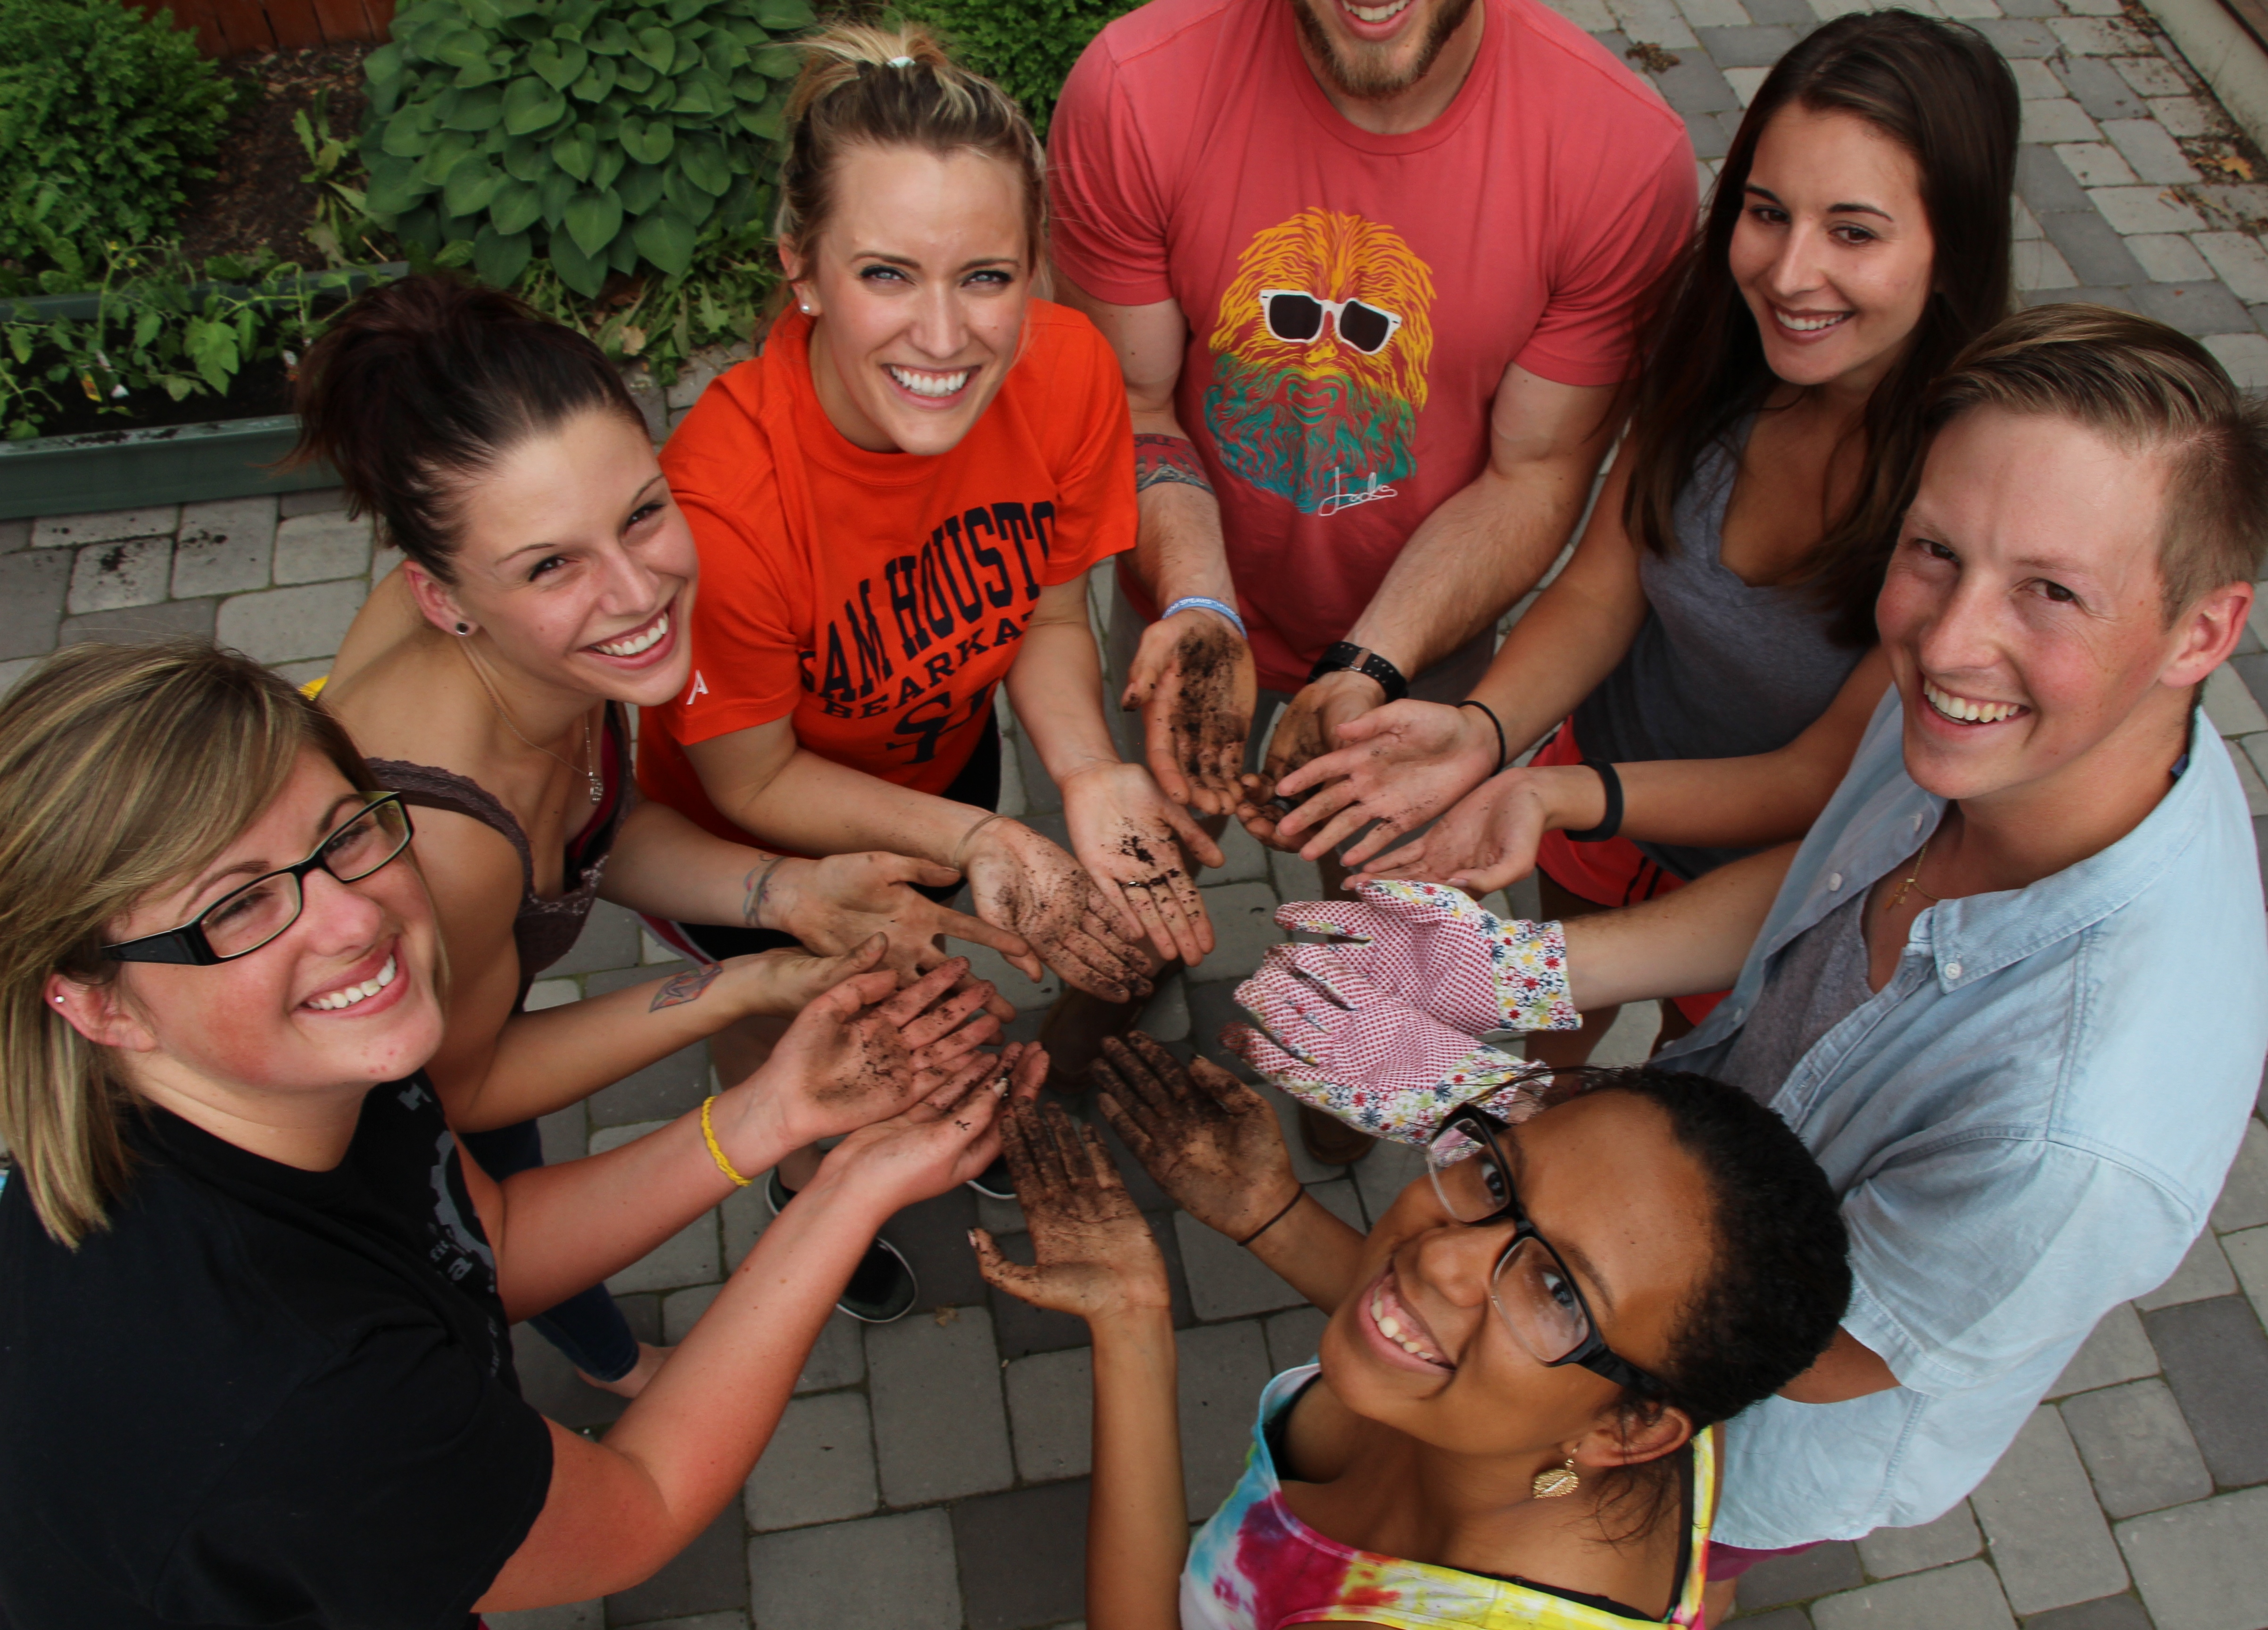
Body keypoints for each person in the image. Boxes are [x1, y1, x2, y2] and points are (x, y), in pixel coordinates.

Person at [1229, 306, 2268, 1612]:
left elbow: (1816, 1349)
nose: (1947, 644)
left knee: (1646, 1572)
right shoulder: (2026, 728)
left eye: (2051, 591)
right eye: (1935, 551)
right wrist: (1520, 975)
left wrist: (1468, 1111)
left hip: (1744, 1437)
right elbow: (1827, 885)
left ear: (2203, 633)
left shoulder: (2083, 1136)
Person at [0, 640, 1038, 1628]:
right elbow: (638, 1508)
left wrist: (777, 1112)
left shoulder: (294, 1076)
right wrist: (849, 1188)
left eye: (347, 833)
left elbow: (477, 1246)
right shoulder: (306, 1395)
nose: (354, 920)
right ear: (97, 1005)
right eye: (238, 907)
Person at [1268, 11, 2020, 1067]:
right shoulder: (1717, 345)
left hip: (1777, 876)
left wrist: (1546, 789)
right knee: (1542, 1046)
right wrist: (1484, 736)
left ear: (1954, 248)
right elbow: (1599, 588)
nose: (1789, 274)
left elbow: (1816, 776)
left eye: (1853, 232)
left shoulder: (1972, 488)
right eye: (1766, 212)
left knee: (1685, 1065)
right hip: (1592, 812)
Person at [308, 275, 1026, 1352]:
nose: (637, 593)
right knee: (486, 1229)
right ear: (439, 596)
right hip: (361, 1106)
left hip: (445, 1010)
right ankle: (611, 1370)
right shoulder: (444, 848)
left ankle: (601, 1356)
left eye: (643, 514)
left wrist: (785, 890)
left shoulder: (533, 658)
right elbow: (470, 1083)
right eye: (552, 565)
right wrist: (745, 982)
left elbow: (599, 825)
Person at [1046, 0, 1697, 1156]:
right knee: (1135, 839)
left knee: (1371, 894)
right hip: (1179, 598)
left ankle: (1338, 1056)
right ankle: (1114, 981)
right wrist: (1200, 599)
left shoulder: (1616, 152)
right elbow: (1131, 407)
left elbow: (1535, 471)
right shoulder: (1136, 85)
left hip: (1425, 633)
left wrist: (1366, 662)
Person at [641, 22, 1217, 1135]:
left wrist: (1086, 773)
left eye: (986, 276)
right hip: (750, 847)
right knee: (784, 1034)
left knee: (915, 996)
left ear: (1035, 268)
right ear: (800, 270)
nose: (944, 338)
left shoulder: (1067, 373)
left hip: (941, 775)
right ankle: (800, 1173)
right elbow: (751, 781)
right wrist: (977, 840)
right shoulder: (720, 502)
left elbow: (1049, 610)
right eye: (887, 275)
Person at [971, 1038, 1851, 1630]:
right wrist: (1269, 1213)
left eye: (1558, 1290)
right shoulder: (1644, 1399)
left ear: (1631, 1428)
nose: (1441, 1264)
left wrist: (1129, 1324)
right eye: (1498, 1184)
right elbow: (1438, 1345)